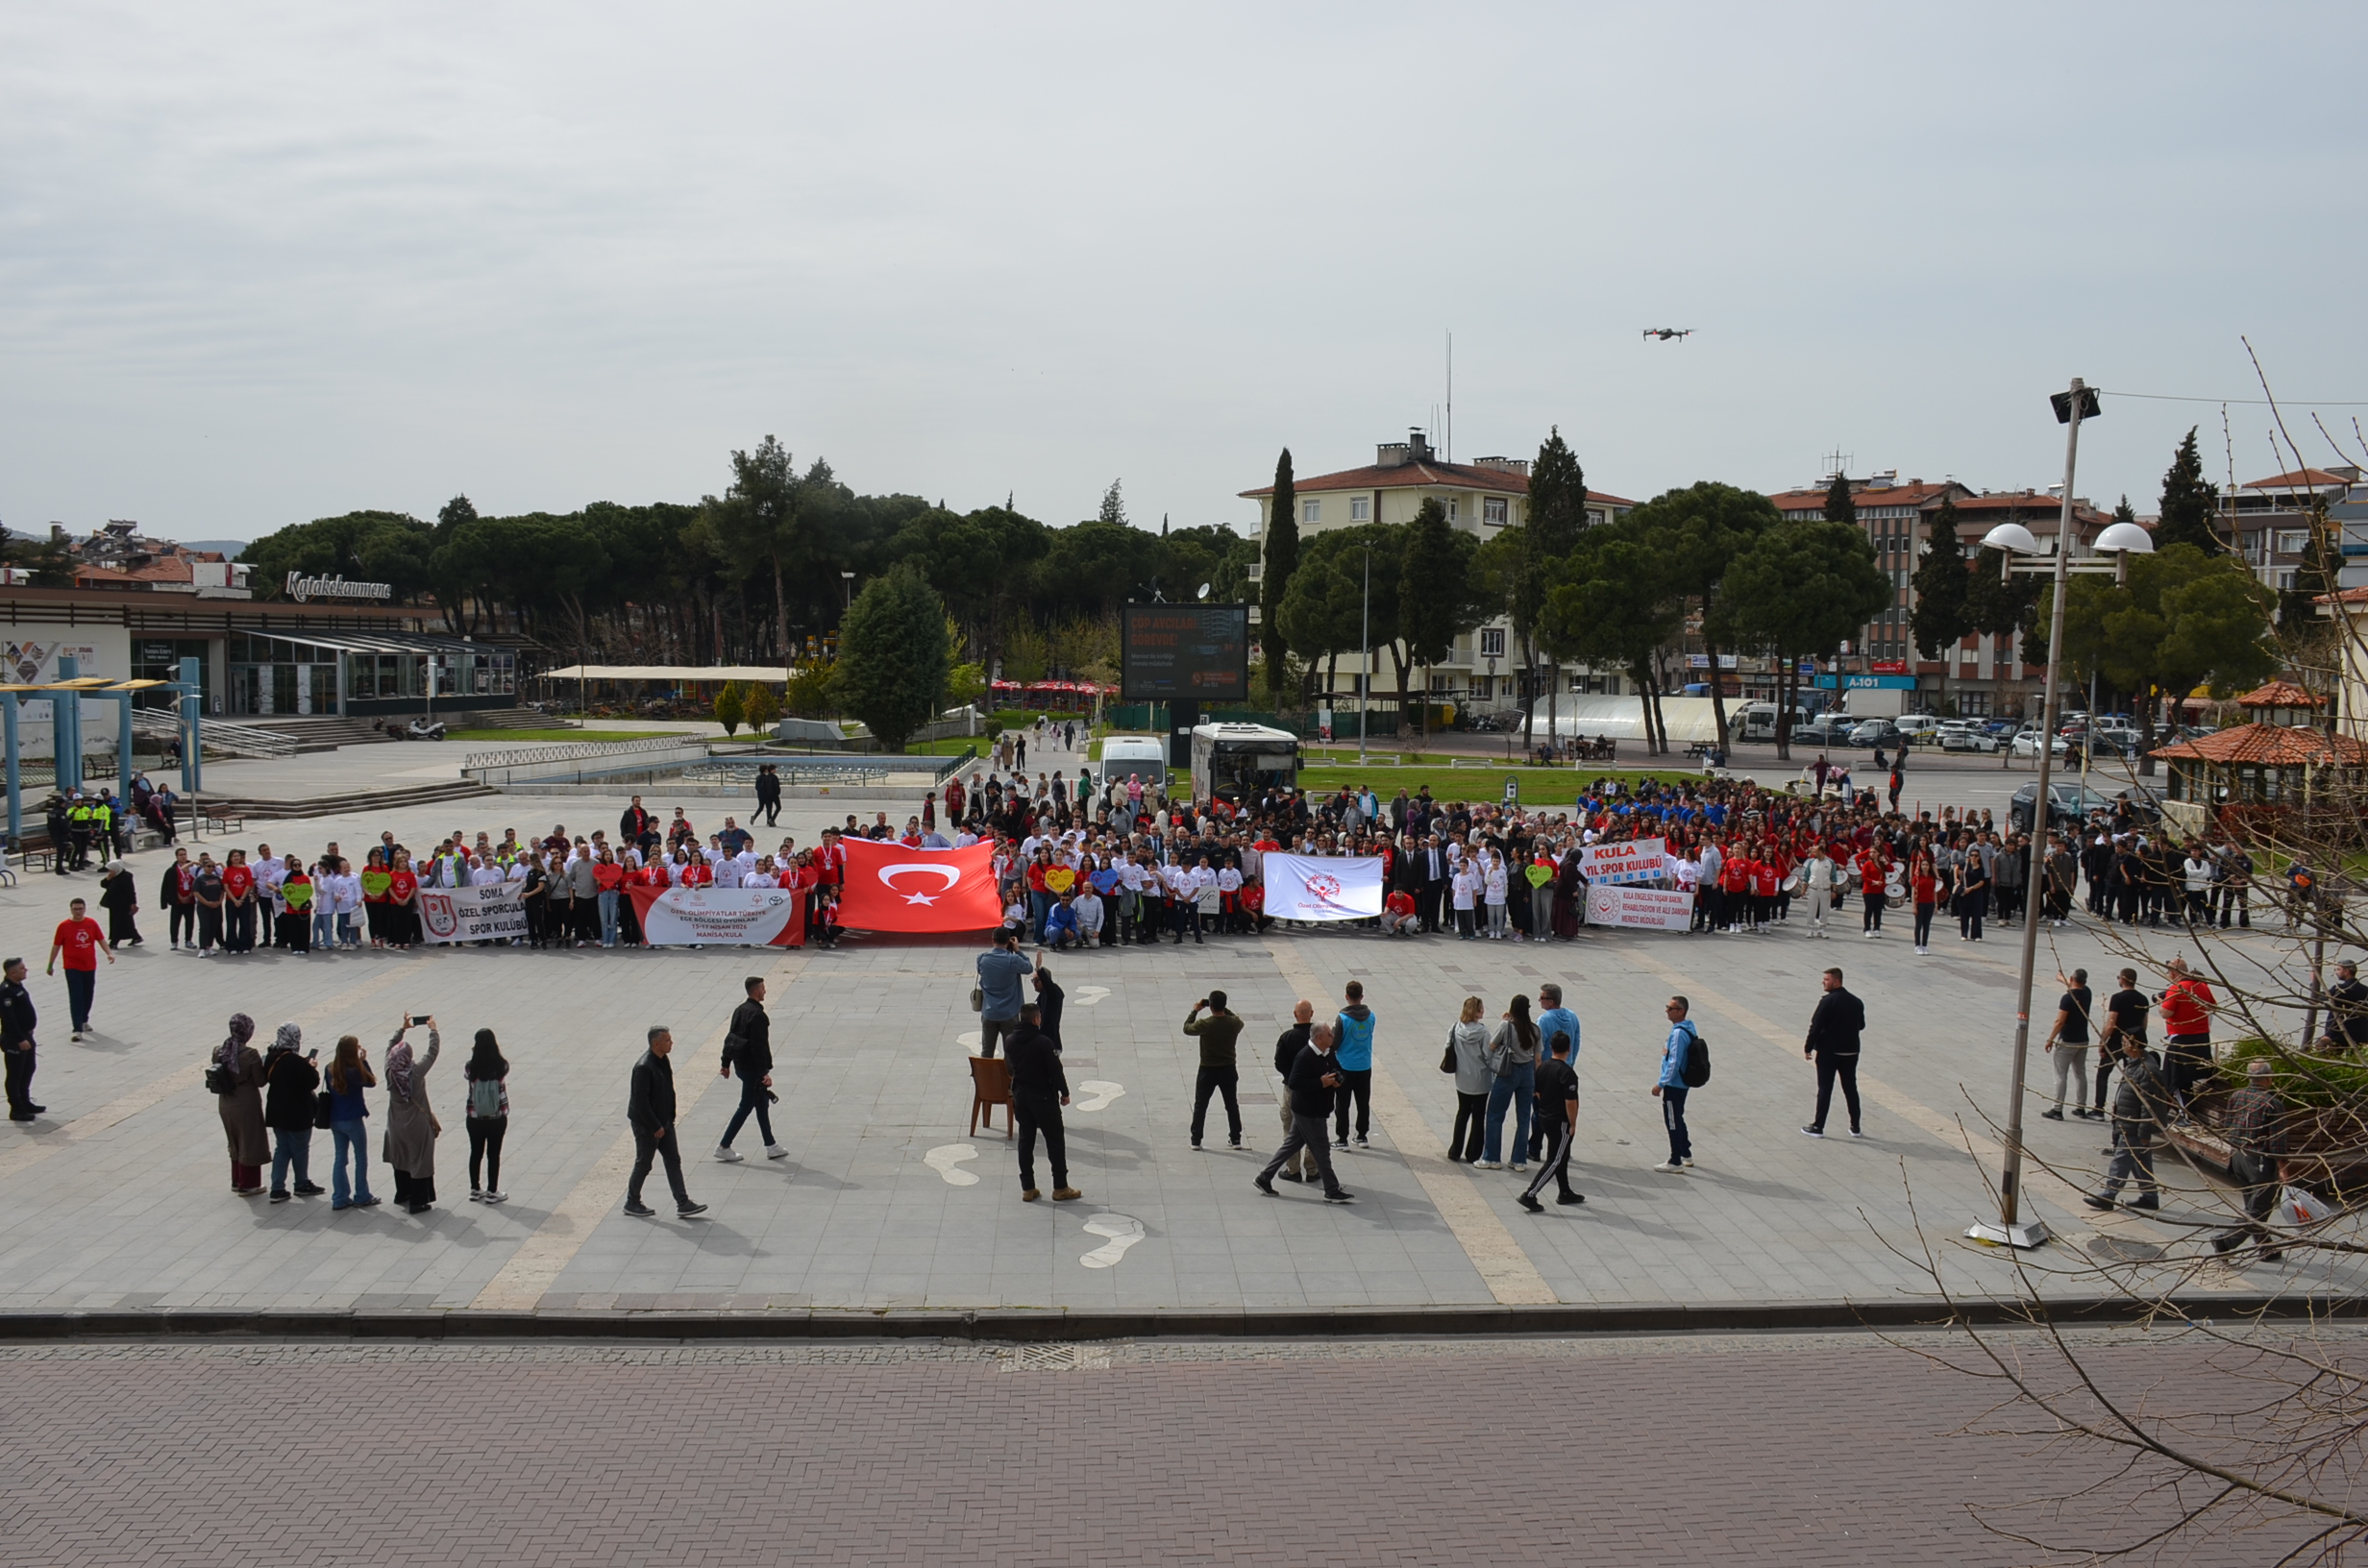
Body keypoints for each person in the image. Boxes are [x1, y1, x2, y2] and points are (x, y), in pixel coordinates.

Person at [1254, 1021, 1352, 1202]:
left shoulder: (1328, 1052)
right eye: (1329, 1034)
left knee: (1291, 1145)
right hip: (1308, 1111)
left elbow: (1338, 1069)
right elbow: (1294, 1082)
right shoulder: (1305, 1056)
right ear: (1319, 1038)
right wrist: (1320, 1083)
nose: (1333, 1037)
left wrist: (1338, 1079)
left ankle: (1264, 1178)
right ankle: (1331, 1189)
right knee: (1321, 1149)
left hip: (1319, 1109)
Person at [2084, 1029, 2171, 1213]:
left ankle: (2108, 1196)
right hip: (2127, 1121)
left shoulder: (2147, 1070)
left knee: (2121, 1161)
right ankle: (2149, 1197)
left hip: (2134, 1125)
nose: (2122, 1045)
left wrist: (2144, 1132)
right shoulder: (2134, 1064)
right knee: (2141, 1164)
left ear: (2134, 1045)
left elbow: (2149, 1105)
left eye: (2125, 1042)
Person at [2209, 1058, 2288, 1262]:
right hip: (2258, 1161)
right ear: (2269, 1078)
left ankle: (2266, 1247)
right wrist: (2283, 1169)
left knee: (2252, 1206)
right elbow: (2277, 1140)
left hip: (2238, 1157)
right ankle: (2225, 1242)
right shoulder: (2273, 1103)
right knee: (2259, 1209)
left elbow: (2228, 1124)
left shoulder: (2237, 1095)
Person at [626, 1023, 706, 1217]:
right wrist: (655, 1126)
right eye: (667, 1040)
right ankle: (632, 1201)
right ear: (656, 1044)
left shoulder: (663, 1060)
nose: (672, 1043)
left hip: (665, 1122)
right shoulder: (644, 1068)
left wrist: (669, 1118)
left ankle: (683, 1202)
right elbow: (640, 1102)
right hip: (648, 1126)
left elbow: (668, 1090)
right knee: (644, 1164)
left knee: (673, 1160)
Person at [1006, 1001, 1077, 1201]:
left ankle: (1028, 1187)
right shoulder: (1043, 1042)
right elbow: (1055, 1070)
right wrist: (1064, 1092)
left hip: (1021, 1095)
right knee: (1055, 1141)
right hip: (1043, 1097)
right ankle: (1060, 1187)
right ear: (1036, 1019)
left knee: (1025, 1140)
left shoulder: (1010, 1040)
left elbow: (1010, 1068)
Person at [716, 975, 785, 1162]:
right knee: (746, 1106)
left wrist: (725, 1063)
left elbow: (731, 1037)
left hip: (741, 1065)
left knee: (761, 1104)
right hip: (752, 1069)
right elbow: (758, 1047)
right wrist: (764, 1073)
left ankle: (771, 1145)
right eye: (762, 988)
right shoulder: (758, 1016)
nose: (765, 991)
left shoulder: (740, 1010)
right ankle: (724, 1146)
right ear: (755, 991)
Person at [1517, 1032, 1585, 1212]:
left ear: (1551, 1047)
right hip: (1560, 1121)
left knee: (1562, 1154)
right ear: (1569, 1049)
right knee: (1555, 1160)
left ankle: (1565, 1191)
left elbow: (1538, 1092)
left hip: (1544, 1117)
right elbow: (1570, 1102)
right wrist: (1572, 1123)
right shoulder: (1567, 1073)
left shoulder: (1543, 1067)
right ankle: (1530, 1194)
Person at [382, 1015, 443, 1215]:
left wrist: (402, 1029)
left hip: (395, 1123)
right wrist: (433, 1030)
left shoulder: (389, 1071)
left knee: (400, 1156)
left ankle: (402, 1193)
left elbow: (389, 1048)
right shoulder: (415, 1073)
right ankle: (418, 1201)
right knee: (420, 1159)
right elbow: (432, 1053)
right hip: (417, 1123)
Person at [1799, 967, 1865, 1139]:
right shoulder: (1856, 1001)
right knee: (1850, 1088)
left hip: (1829, 1052)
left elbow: (1816, 1026)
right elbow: (1861, 1025)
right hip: (1851, 1051)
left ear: (1836, 981)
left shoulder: (1827, 1002)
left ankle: (1818, 1126)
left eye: (1826, 979)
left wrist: (1808, 1047)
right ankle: (1855, 1127)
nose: (1823, 982)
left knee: (1825, 1088)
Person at [1477, 993, 1540, 1170]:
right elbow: (1538, 1058)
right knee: (1524, 1117)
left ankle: (1492, 1158)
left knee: (1495, 1114)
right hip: (1527, 1074)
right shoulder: (1535, 1029)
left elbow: (1492, 1045)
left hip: (1508, 1072)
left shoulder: (1506, 1026)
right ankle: (1519, 1160)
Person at [261, 1022, 324, 1203]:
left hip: (277, 1112)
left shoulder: (272, 1057)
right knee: (300, 1149)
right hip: (297, 1114)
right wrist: (311, 1067)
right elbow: (312, 1082)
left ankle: (277, 1188)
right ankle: (301, 1183)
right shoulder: (296, 1062)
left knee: (282, 1148)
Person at [211, 1014, 268, 1196]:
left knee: (234, 1141)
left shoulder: (219, 1051)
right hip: (246, 1103)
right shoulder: (250, 1054)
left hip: (225, 1102)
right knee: (250, 1142)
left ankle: (236, 1180)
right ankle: (248, 1184)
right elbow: (260, 1081)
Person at [323, 1033, 380, 1209]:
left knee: (340, 1158)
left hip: (335, 1118)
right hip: (353, 1119)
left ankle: (339, 1197)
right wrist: (363, 1061)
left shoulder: (329, 1068)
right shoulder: (354, 1071)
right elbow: (371, 1082)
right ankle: (362, 1195)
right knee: (360, 1157)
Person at [1183, 991, 1245, 1151]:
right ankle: (1236, 1138)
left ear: (1210, 1006)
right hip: (1228, 1068)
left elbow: (1187, 1028)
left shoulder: (1206, 1024)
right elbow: (1237, 1019)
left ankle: (1196, 1139)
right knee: (1231, 1104)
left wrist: (1195, 1011)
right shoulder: (1234, 1023)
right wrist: (1224, 1009)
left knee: (1201, 1105)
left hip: (1207, 1069)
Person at [2158, 956, 2216, 1119]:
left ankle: (2187, 1116)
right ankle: (2183, 1113)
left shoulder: (2176, 988)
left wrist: (2161, 1003)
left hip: (2182, 1040)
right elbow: (2213, 1006)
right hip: (2201, 1039)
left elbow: (2166, 1013)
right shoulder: (2201, 986)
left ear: (2173, 973)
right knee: (2187, 1078)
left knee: (2176, 1080)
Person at [45, 896, 111, 1041]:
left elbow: (100, 939)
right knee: (76, 996)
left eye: (80, 909)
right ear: (71, 910)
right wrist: (50, 964)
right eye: (75, 909)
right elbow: (56, 946)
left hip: (89, 965)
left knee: (88, 994)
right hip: (72, 966)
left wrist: (109, 953)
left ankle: (84, 1019)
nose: (78, 912)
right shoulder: (64, 926)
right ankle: (77, 1028)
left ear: (85, 909)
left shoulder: (91, 923)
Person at [1270, 1001, 1319, 1182]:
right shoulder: (1318, 1037)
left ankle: (1293, 1169)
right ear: (1311, 1013)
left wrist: (1291, 1076)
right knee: (1313, 1130)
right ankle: (1312, 1169)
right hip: (1314, 1089)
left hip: (1292, 1088)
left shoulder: (1287, 1037)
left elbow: (1279, 1063)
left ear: (1295, 1014)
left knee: (1290, 1129)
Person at [1650, 995, 1697, 1173]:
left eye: (1671, 1008)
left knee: (1672, 1121)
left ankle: (1675, 1160)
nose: (1667, 1011)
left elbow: (1674, 1062)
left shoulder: (1678, 1033)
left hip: (1674, 1085)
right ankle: (1686, 1153)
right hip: (1681, 1084)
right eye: (1667, 1007)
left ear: (1681, 1011)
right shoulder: (1687, 1028)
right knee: (1678, 1117)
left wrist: (1661, 1083)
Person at [2041, 968, 2093, 1121]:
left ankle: (2057, 1109)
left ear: (2072, 979)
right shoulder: (2087, 993)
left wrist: (2050, 1039)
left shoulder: (2067, 999)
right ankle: (2081, 1107)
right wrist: (2062, 979)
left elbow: (2060, 1021)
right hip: (2083, 1039)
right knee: (2080, 1073)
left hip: (2067, 1041)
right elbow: (2076, 987)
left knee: (2060, 1075)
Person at [1444, 996, 1492, 1163]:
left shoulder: (1455, 1028)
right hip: (1481, 1079)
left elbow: (1447, 1047)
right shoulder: (1483, 1032)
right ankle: (1473, 1153)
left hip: (1462, 1078)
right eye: (1481, 1008)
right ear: (1476, 1012)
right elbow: (1488, 1055)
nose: (1483, 1011)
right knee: (1478, 1116)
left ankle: (1455, 1150)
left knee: (1462, 1112)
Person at [1330, 981, 1377, 1149]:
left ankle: (1342, 1138)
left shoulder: (1342, 1018)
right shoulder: (1371, 1016)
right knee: (1363, 1102)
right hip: (1364, 1065)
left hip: (1345, 1066)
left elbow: (1335, 1043)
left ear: (1346, 997)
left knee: (1342, 1104)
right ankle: (1362, 1135)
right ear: (1362, 996)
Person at [974, 929, 1032, 1058]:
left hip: (989, 1012)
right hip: (1009, 1014)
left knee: (987, 1051)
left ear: (993, 940)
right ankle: (1009, 1072)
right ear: (1008, 941)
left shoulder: (982, 958)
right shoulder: (1013, 960)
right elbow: (1028, 968)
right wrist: (1017, 951)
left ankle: (985, 1071)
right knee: (1011, 1053)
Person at [3, 958, 41, 1121]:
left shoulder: (17, 986)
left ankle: (25, 1101)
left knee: (28, 1069)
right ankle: (16, 1109)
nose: (26, 970)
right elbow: (8, 1018)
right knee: (15, 1074)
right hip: (15, 1039)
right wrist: (20, 1039)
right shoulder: (6, 991)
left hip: (27, 1035)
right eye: (22, 968)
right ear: (12, 973)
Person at [98, 860, 141, 948]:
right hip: (114, 904)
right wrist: (108, 878)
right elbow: (103, 885)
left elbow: (131, 891)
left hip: (123, 904)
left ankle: (114, 942)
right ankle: (136, 937)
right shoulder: (113, 876)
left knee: (118, 923)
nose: (109, 872)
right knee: (127, 922)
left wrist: (133, 903)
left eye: (111, 870)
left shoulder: (126, 877)